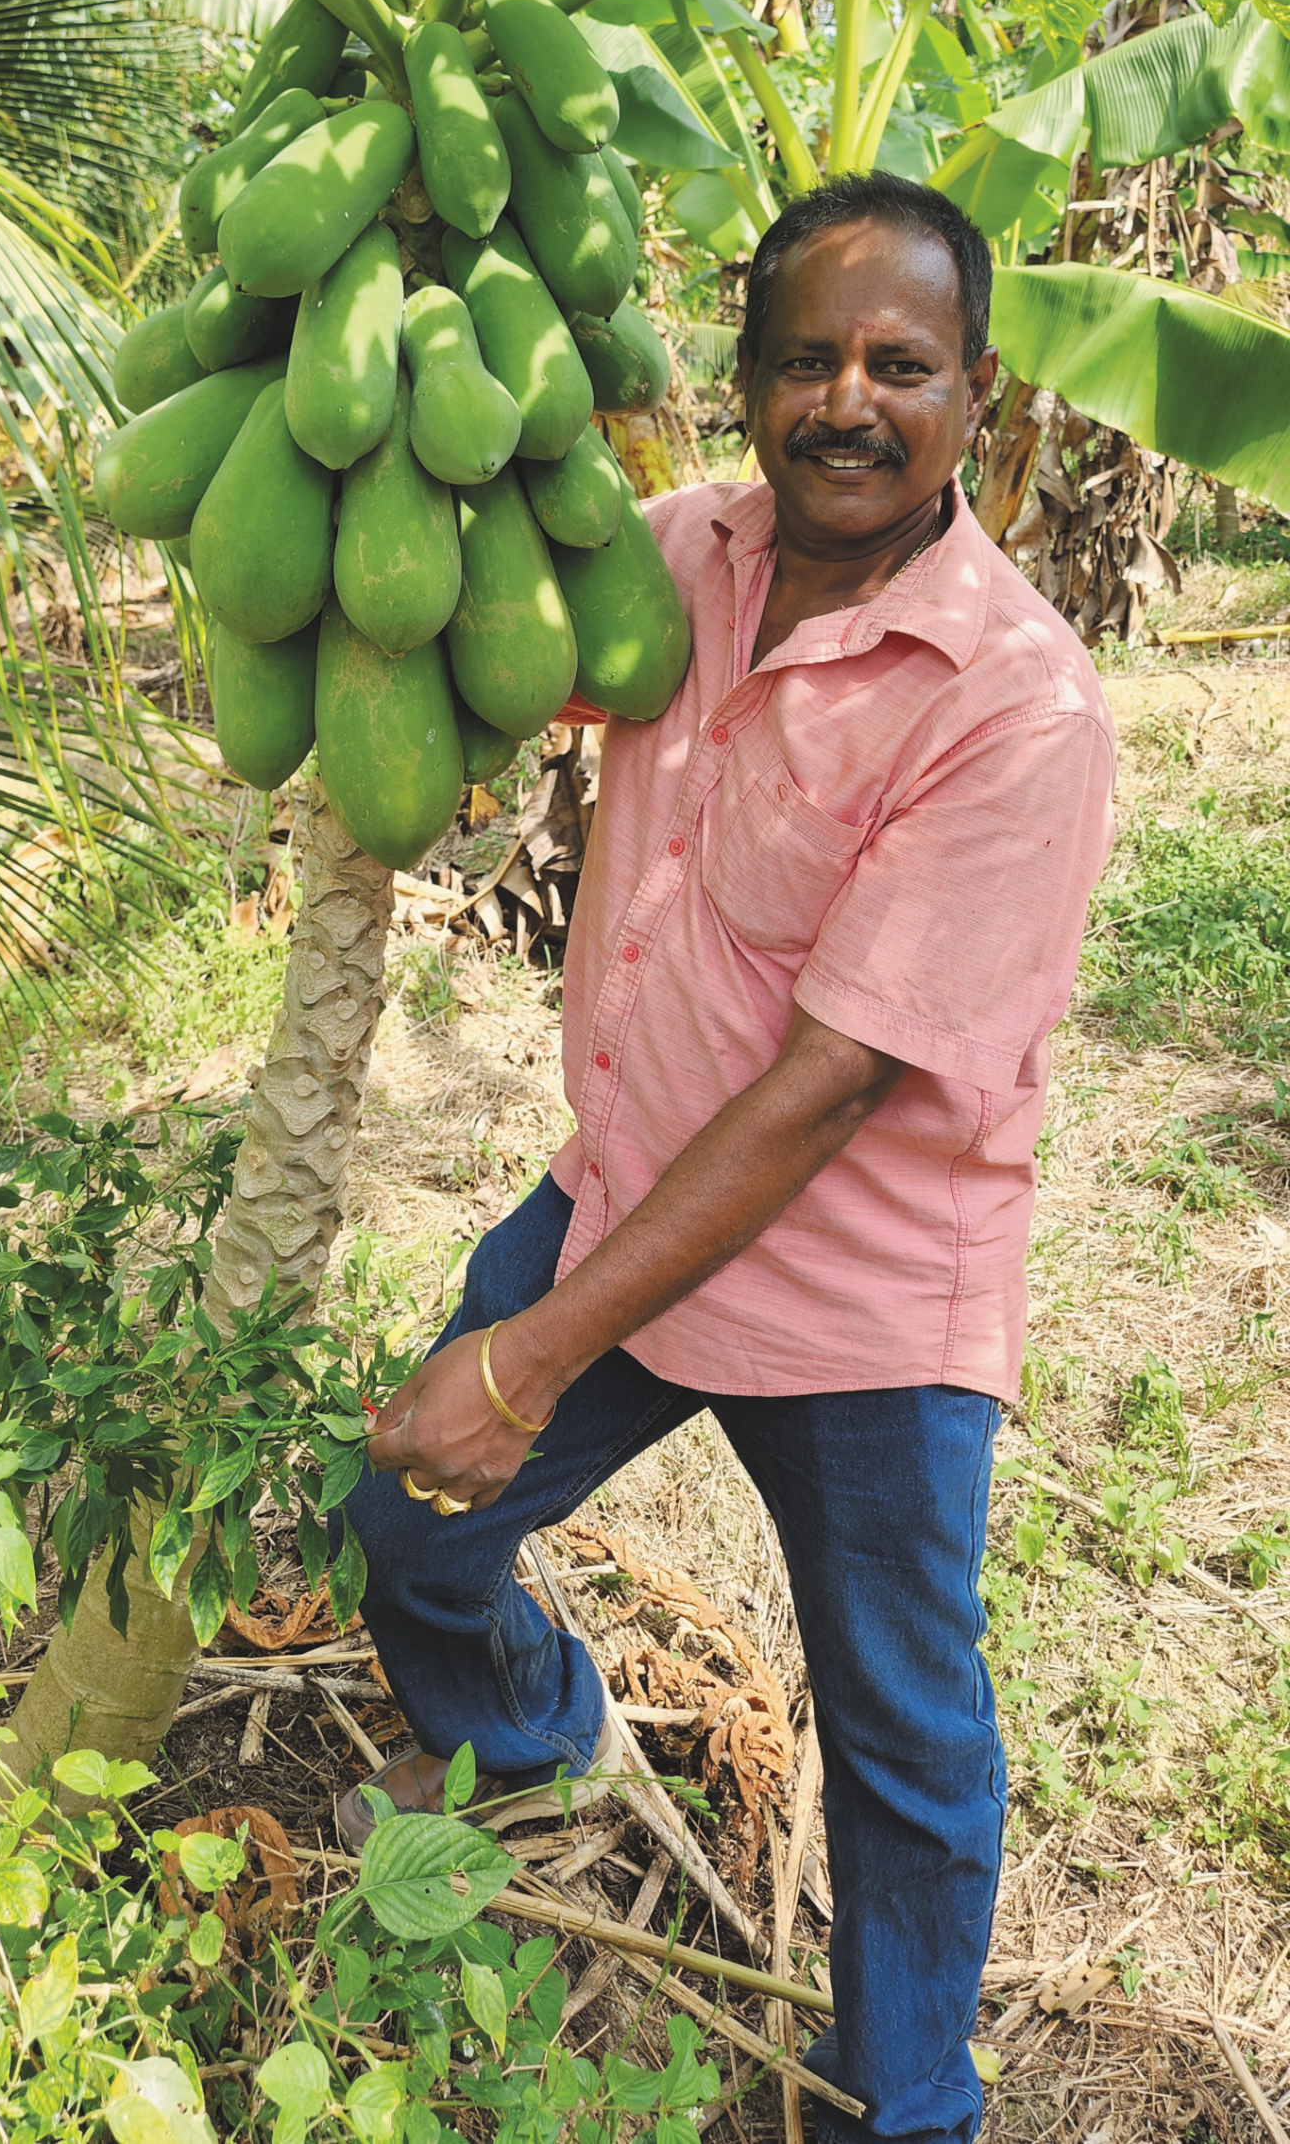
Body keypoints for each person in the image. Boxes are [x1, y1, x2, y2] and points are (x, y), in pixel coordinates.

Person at [338, 173, 1117, 2144]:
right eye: (803, 359)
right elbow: (493, 665)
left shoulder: (1016, 704)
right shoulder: (673, 558)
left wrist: (519, 1363)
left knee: (901, 1737)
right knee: (415, 1535)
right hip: (628, 1199)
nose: (846, 400)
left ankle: (911, 2104)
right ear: (743, 381)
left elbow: (822, 1090)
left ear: (973, 390)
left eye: (897, 363)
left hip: (860, 1293)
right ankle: (550, 1738)